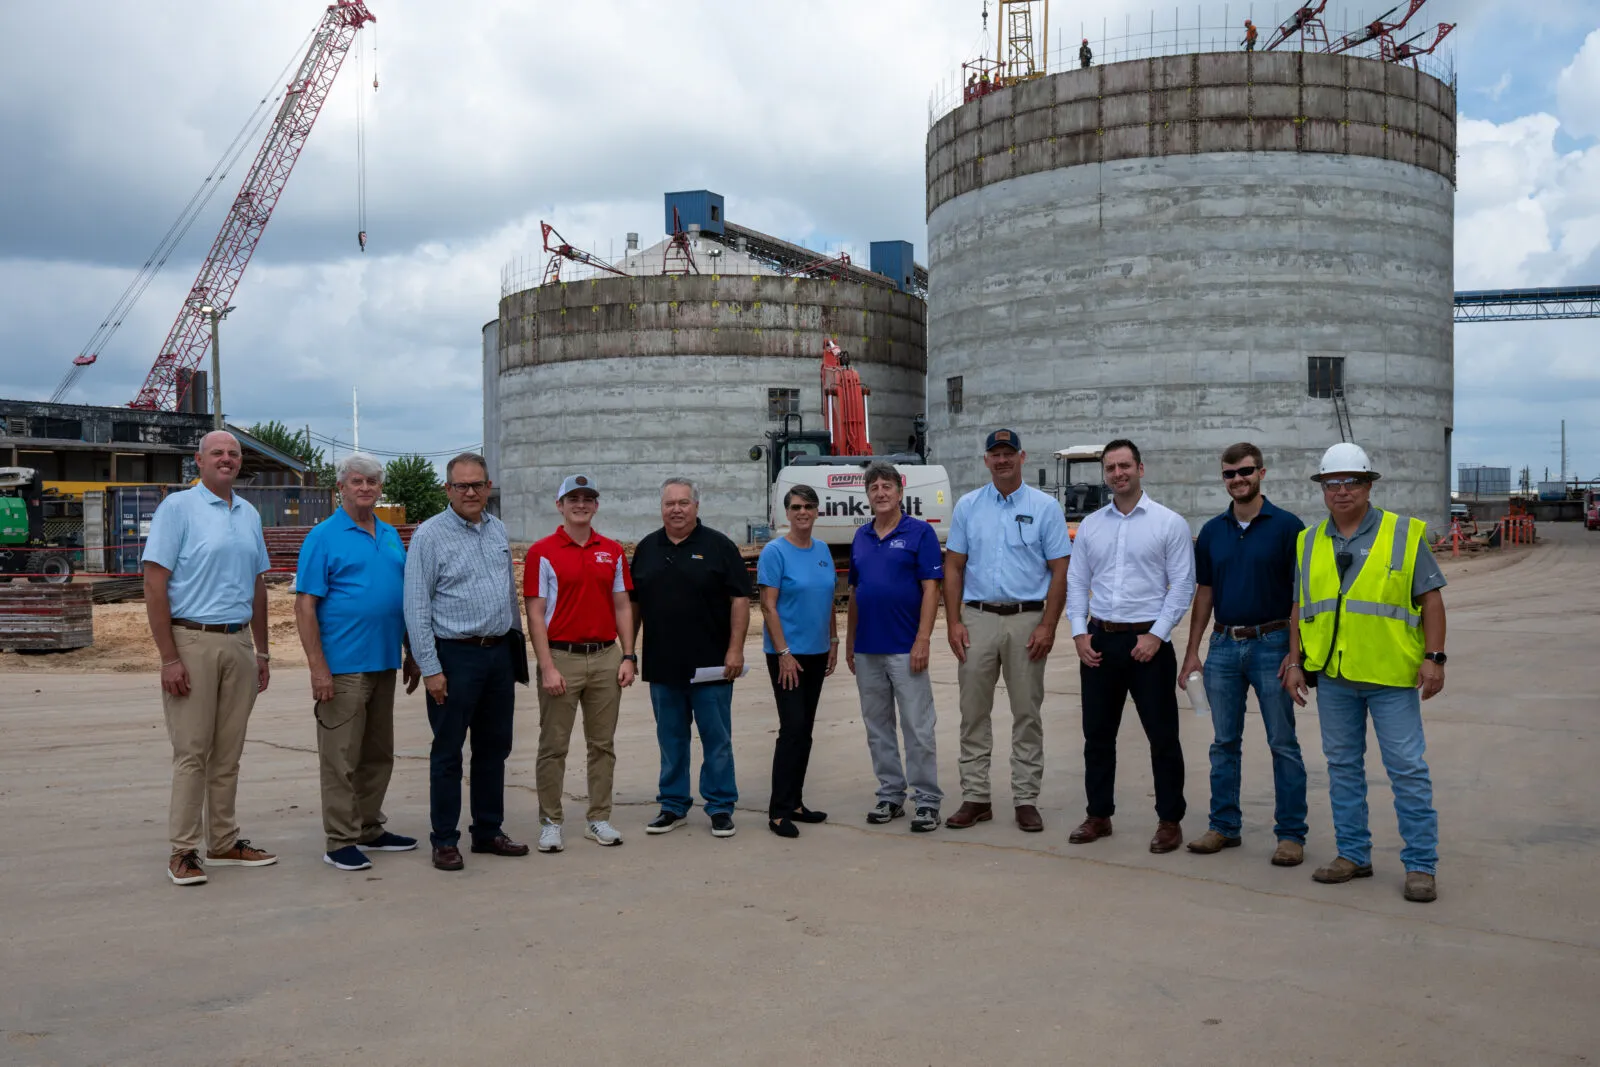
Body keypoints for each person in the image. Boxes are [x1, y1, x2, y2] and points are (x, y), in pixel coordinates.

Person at [1285, 443, 1447, 904]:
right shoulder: (1309, 541)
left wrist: (1435, 657)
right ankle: (1353, 854)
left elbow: (1431, 599)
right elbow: (1300, 607)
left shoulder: (1402, 533)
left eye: (1351, 482)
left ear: (1369, 485)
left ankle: (1420, 865)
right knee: (1342, 769)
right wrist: (1295, 661)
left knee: (1408, 770)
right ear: (1322, 488)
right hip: (1334, 677)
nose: (1340, 492)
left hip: (1391, 677)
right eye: (1331, 483)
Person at [143, 430, 276, 886]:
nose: (227, 458)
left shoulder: (249, 513)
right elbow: (154, 584)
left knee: (228, 752)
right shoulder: (178, 509)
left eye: (234, 453)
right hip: (192, 640)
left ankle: (223, 841)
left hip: (238, 642)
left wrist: (262, 650)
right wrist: (168, 657)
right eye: (217, 452)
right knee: (192, 752)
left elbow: (257, 586)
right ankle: (183, 850)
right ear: (198, 461)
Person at [1178, 443, 1308, 867]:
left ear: (1262, 473)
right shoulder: (1214, 531)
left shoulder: (1289, 527)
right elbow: (1205, 592)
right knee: (1223, 743)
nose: (1238, 479)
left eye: (1245, 471)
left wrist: (1294, 656)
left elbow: (1298, 597)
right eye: (1230, 474)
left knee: (1282, 742)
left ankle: (1290, 834)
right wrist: (1193, 651)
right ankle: (1223, 827)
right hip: (1223, 646)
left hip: (1272, 645)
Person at [1066, 439, 1196, 854]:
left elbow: (1183, 587)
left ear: (1141, 468)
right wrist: (1079, 633)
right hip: (1100, 641)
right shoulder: (1091, 525)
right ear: (1104, 474)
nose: (1117, 473)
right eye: (1110, 468)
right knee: (1097, 736)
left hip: (1148, 645)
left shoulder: (1168, 523)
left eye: (1125, 466)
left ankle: (1170, 819)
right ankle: (1098, 814)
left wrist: (1156, 635)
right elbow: (1076, 582)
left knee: (1163, 737)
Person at [294, 453, 421, 872]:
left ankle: (369, 827)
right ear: (341, 488)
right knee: (340, 758)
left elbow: (400, 601)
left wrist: (411, 651)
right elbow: (306, 605)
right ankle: (340, 839)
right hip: (342, 667)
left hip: (384, 662)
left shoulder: (388, 535)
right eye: (356, 481)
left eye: (371, 481)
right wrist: (317, 667)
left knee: (377, 753)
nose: (365, 488)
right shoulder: (324, 537)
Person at [404, 452, 529, 872]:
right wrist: (431, 668)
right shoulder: (429, 535)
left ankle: (488, 831)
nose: (470, 492)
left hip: (497, 655)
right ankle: (444, 839)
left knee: (495, 749)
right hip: (454, 657)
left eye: (477, 484)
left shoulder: (498, 530)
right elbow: (416, 607)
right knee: (448, 753)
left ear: (488, 487)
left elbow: (508, 594)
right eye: (462, 485)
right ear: (448, 489)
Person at [943, 429, 1071, 833]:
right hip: (977, 617)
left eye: (1009, 453)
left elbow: (1060, 570)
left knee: (1026, 713)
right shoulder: (968, 506)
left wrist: (1049, 625)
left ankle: (1026, 798)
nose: (1002, 460)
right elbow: (954, 566)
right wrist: (953, 622)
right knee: (973, 712)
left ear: (1022, 457)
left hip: (1026, 620)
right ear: (986, 460)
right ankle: (976, 796)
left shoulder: (1045, 507)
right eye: (995, 454)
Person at [630, 477, 752, 838]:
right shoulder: (647, 549)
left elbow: (740, 600)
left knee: (717, 740)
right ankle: (673, 804)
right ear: (661, 507)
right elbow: (634, 604)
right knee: (671, 739)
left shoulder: (719, 546)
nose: (677, 509)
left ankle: (719, 806)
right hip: (663, 664)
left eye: (684, 502)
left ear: (697, 506)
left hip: (712, 665)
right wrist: (629, 652)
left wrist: (735, 649)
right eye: (670, 503)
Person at [523, 474, 636, 854]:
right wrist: (547, 667)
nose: (581, 504)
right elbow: (535, 614)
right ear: (560, 505)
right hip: (561, 657)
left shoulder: (613, 550)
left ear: (596, 505)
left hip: (606, 657)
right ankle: (550, 822)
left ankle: (598, 818)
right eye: (573, 498)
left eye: (588, 498)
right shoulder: (542, 552)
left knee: (602, 745)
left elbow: (622, 605)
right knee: (553, 746)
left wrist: (628, 655)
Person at [847, 461, 945, 832]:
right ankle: (890, 793)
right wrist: (850, 641)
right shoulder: (862, 536)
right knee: (878, 726)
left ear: (900, 492)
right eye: (874, 488)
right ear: (868, 496)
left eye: (887, 486)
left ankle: (927, 801)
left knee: (918, 726)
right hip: (868, 648)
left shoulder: (919, 533)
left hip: (906, 648)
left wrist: (923, 639)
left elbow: (930, 589)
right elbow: (856, 591)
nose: (881, 493)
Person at [757, 484, 839, 838]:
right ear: (786, 513)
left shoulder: (822, 550)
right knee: (791, 729)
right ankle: (778, 811)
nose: (802, 512)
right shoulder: (775, 552)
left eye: (808, 506)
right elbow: (767, 606)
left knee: (805, 730)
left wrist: (834, 639)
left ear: (817, 511)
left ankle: (796, 802)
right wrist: (784, 653)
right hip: (787, 656)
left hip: (818, 652)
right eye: (795, 507)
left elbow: (829, 598)